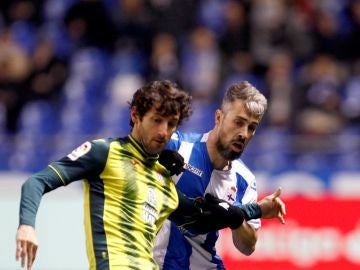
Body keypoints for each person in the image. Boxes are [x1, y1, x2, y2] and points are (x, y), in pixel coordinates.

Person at [15, 80, 197, 270]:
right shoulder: (104, 152)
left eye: (171, 124)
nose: (163, 132)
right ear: (135, 115)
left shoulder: (166, 182)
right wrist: (26, 226)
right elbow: (37, 182)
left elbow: (202, 216)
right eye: (157, 120)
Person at [154, 81, 286, 269]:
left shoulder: (245, 181)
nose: (243, 133)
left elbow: (248, 247)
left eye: (252, 127)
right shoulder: (176, 147)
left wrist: (238, 219)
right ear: (219, 117)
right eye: (238, 122)